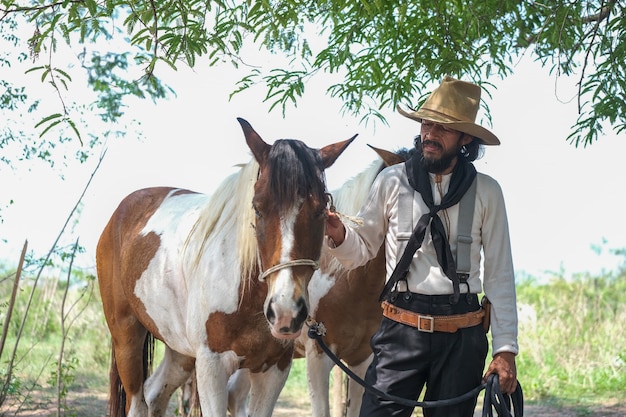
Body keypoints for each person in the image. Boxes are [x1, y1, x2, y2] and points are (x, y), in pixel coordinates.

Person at [325, 75, 518, 417]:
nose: (429, 134)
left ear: (465, 138)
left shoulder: (488, 192)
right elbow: (361, 250)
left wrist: (505, 351)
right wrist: (339, 235)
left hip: (462, 337)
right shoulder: (391, 181)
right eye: (427, 124)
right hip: (399, 332)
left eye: (442, 128)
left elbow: (500, 276)